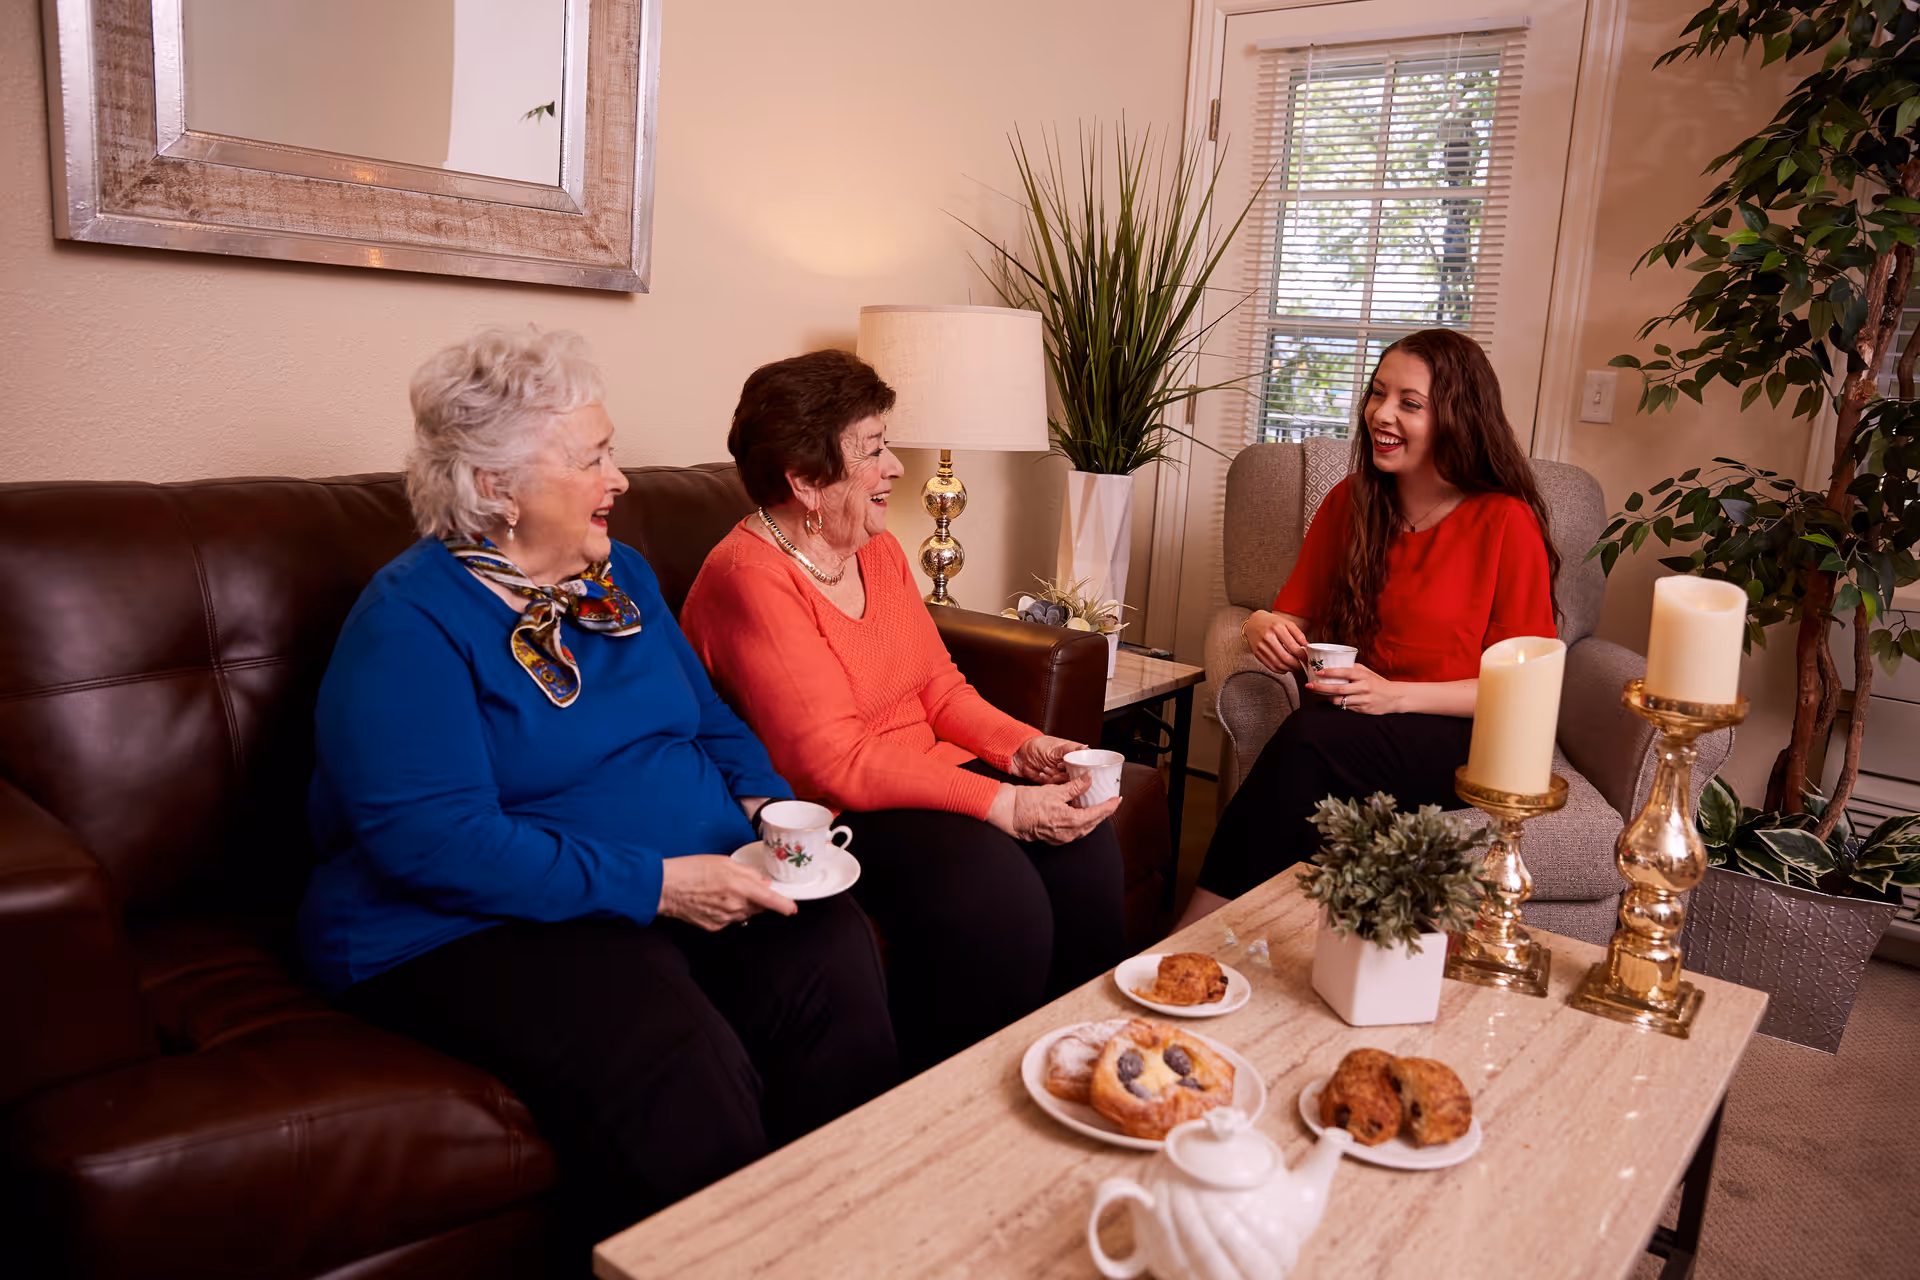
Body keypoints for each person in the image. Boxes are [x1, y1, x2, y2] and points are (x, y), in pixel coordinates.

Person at [298, 327, 897, 1240]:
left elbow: (708, 721)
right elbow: (439, 843)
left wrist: (770, 812)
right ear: (497, 487)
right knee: (665, 1042)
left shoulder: (619, 579)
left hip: (666, 880)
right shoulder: (409, 626)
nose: (620, 478)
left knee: (827, 948)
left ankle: (845, 1233)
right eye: (593, 458)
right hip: (459, 924)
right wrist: (657, 886)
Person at [680, 349, 1128, 1071]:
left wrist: (1025, 750)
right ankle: (961, 1103)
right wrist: (1005, 807)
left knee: (1083, 847)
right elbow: (835, 762)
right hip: (841, 809)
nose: (894, 467)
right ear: (806, 481)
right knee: (997, 897)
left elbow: (938, 687)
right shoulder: (749, 577)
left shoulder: (874, 549)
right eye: (873, 449)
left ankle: (1084, 1068)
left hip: (921, 779)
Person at [1176, 328, 1559, 928]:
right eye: (1378, 394)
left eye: (1410, 403)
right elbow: (1288, 618)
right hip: (1352, 722)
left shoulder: (1506, 522)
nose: (1381, 413)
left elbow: (1522, 692)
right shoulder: (1350, 503)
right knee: (1313, 741)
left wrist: (1394, 696)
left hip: (1459, 735)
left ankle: (1196, 930)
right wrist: (1260, 626)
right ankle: (1264, 939)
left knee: (1307, 744)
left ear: (1456, 417)